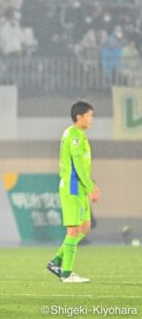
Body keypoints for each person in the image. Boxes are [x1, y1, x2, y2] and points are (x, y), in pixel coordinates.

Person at [46, 101, 100, 283]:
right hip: (73, 187)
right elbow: (77, 166)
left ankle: (56, 261)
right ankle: (66, 273)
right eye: (89, 115)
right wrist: (91, 187)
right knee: (74, 230)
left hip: (80, 187)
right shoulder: (75, 136)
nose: (91, 119)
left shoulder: (76, 134)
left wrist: (90, 185)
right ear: (79, 117)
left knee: (85, 227)